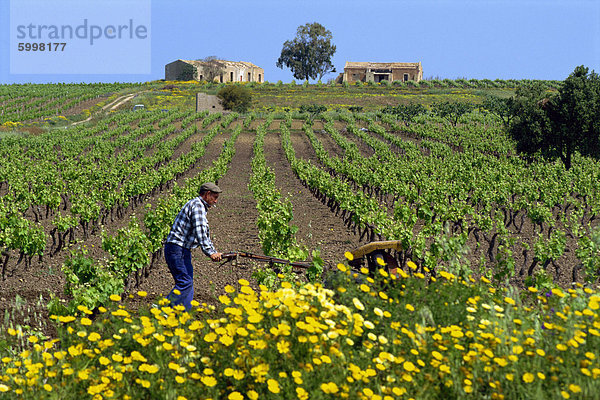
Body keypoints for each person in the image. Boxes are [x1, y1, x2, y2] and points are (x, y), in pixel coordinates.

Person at [163, 182, 223, 309]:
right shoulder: (197, 207)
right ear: (207, 194)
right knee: (185, 282)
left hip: (181, 249)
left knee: (188, 283)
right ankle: (161, 309)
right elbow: (201, 232)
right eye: (215, 197)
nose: (216, 201)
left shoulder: (197, 205)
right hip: (177, 249)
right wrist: (211, 252)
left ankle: (184, 314)